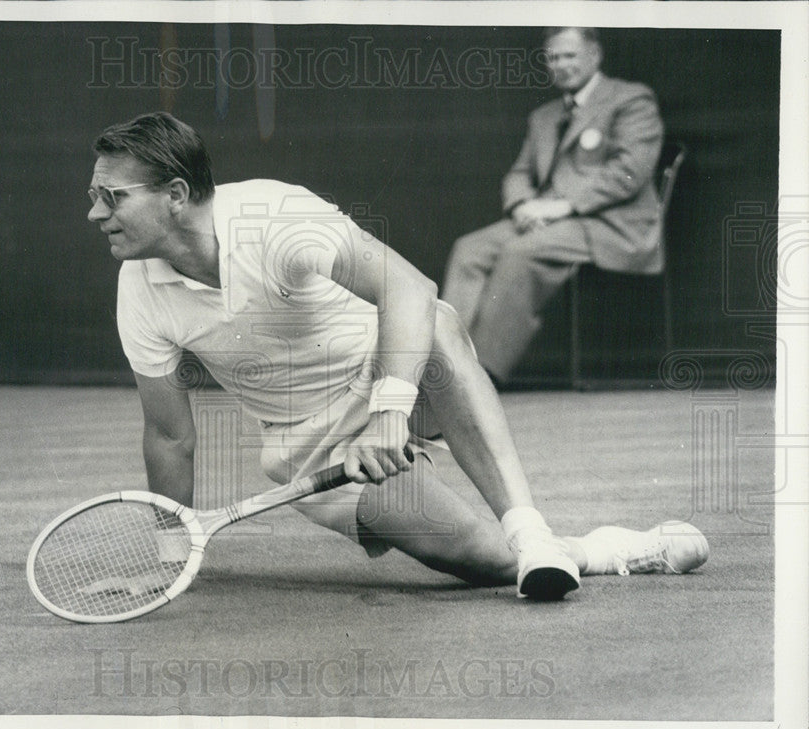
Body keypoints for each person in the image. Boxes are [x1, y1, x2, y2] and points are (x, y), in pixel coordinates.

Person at [88, 111, 706, 601]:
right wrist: (171, 559)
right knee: (483, 562)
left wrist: (388, 409)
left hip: (395, 372)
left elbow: (409, 288)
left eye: (111, 196)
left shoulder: (274, 217)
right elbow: (169, 436)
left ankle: (532, 531)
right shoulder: (139, 291)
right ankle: (600, 550)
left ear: (174, 193)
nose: (96, 213)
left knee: (434, 322)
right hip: (312, 448)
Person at [441, 27, 665, 384]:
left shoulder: (630, 100)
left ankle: (478, 378)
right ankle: (446, 364)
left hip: (610, 224)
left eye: (570, 56)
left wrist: (562, 208)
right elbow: (519, 173)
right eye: (554, 57)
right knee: (469, 249)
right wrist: (521, 206)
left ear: (594, 55)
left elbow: (630, 172)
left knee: (519, 251)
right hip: (547, 220)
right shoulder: (543, 117)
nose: (561, 65)